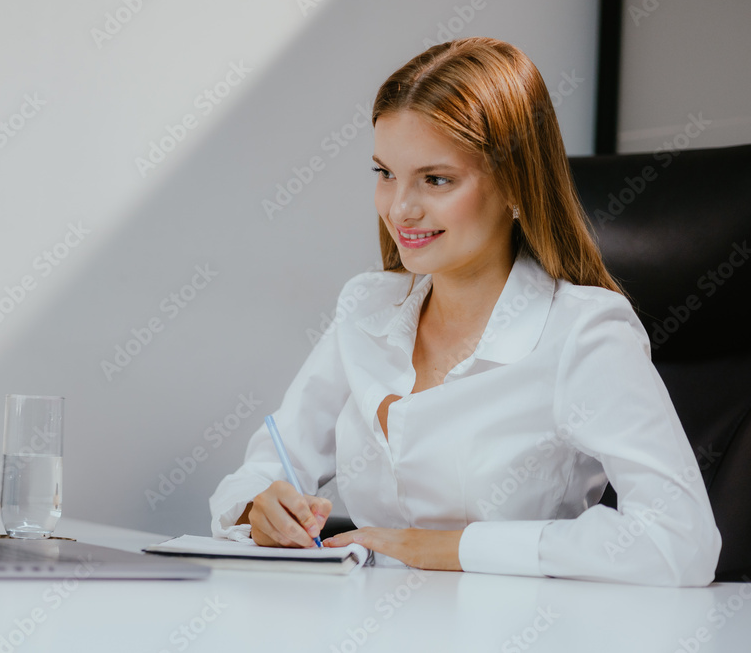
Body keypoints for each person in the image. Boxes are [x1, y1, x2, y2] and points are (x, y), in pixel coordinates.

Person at [208, 37, 721, 586]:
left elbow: (679, 541)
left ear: (516, 187)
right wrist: (259, 509)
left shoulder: (584, 331)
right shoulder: (367, 307)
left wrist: (448, 548)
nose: (400, 208)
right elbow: (263, 470)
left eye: (436, 179)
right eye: (385, 173)